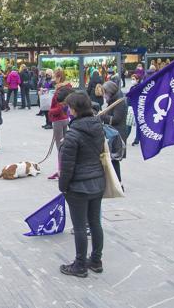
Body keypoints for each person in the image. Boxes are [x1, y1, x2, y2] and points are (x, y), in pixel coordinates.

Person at [58, 92, 105, 278]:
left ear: (75, 110)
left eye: (69, 107)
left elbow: (67, 167)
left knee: (79, 227)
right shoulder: (98, 126)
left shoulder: (74, 133)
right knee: (95, 223)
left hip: (79, 186)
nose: (68, 110)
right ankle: (96, 260)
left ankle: (80, 265)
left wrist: (63, 186)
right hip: (98, 182)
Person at [99, 81, 128, 185]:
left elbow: (116, 119)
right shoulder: (114, 100)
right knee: (111, 158)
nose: (104, 95)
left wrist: (103, 116)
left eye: (105, 93)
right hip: (113, 133)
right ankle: (114, 182)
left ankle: (118, 183)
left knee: (114, 159)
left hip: (117, 134)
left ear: (110, 92)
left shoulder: (119, 101)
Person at [48, 68, 73, 180]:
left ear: (58, 77)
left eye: (54, 77)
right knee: (63, 145)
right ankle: (62, 170)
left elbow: (59, 106)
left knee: (60, 147)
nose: (53, 79)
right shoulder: (67, 88)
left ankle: (61, 171)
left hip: (58, 119)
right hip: (65, 118)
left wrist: (50, 112)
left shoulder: (60, 90)